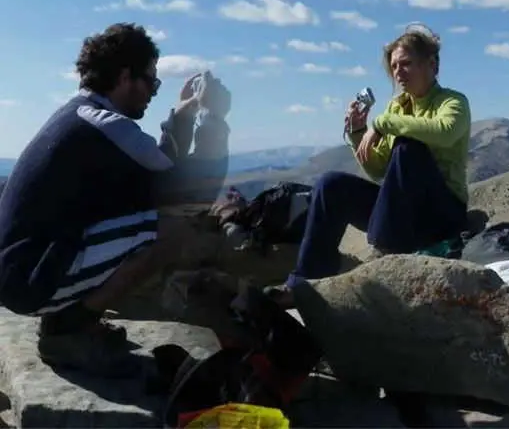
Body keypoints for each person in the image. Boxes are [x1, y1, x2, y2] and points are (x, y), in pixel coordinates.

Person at [0, 23, 232, 377]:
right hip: (32, 277)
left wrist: (183, 116)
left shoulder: (82, 116)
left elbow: (156, 175)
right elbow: (194, 195)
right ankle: (69, 329)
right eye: (151, 81)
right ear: (125, 76)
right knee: (173, 231)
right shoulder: (107, 126)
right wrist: (214, 119)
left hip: (22, 270)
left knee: (151, 220)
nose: (153, 92)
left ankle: (65, 317)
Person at [266, 25, 471, 308]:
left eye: (406, 64)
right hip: (403, 217)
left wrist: (382, 123)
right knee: (330, 185)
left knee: (409, 149)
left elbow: (445, 131)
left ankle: (385, 250)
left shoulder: (452, 102)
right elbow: (378, 170)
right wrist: (358, 133)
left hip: (442, 214)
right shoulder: (397, 108)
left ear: (432, 64)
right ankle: (302, 284)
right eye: (395, 66)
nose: (398, 72)